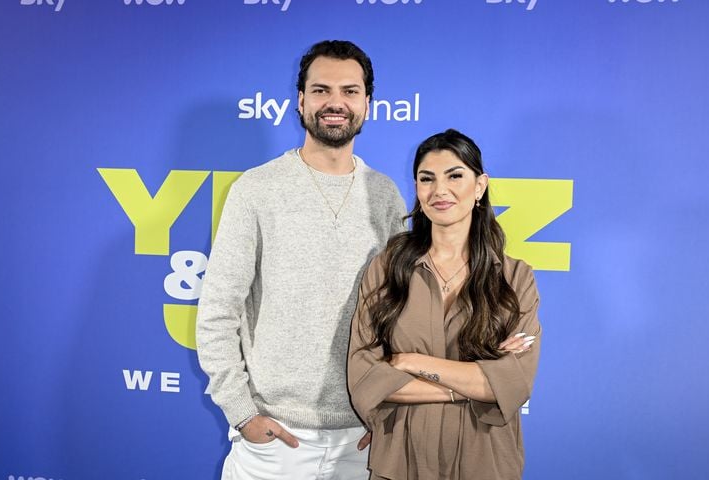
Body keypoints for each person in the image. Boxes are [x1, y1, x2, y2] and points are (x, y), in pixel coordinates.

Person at [196, 40, 406, 479]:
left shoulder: (385, 195)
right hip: (274, 442)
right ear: (301, 100)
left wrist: (385, 407)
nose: (335, 103)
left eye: (350, 91)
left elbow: (400, 313)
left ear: (368, 103)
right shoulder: (256, 189)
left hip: (360, 440)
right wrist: (242, 413)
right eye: (321, 90)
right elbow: (218, 310)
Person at [347, 129, 541, 480]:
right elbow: (364, 379)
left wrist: (410, 362)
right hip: (401, 463)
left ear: (480, 186)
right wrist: (471, 384)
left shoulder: (515, 278)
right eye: (427, 179)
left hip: (485, 462)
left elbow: (514, 384)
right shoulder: (387, 268)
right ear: (417, 189)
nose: (439, 190)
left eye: (454, 176)